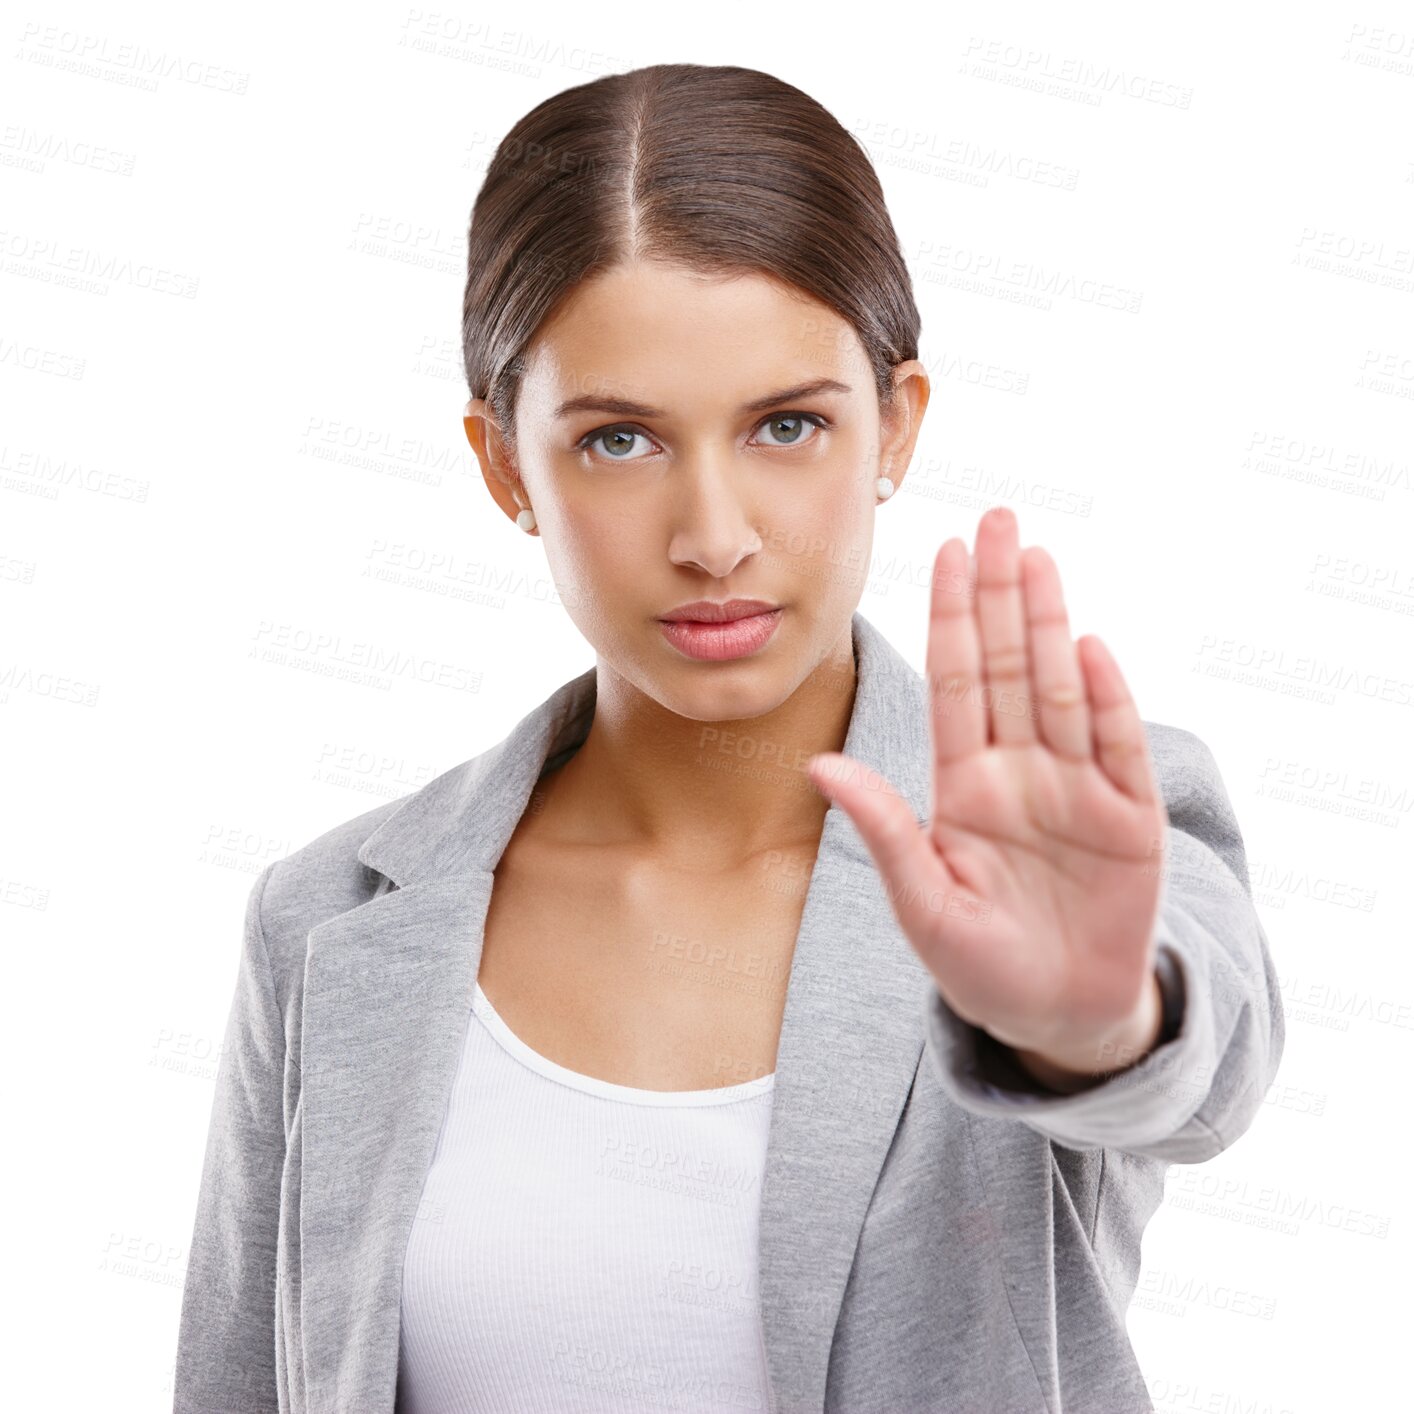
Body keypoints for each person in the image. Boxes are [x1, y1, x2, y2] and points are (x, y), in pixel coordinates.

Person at [173, 62, 1285, 1414]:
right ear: (503, 463)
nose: (713, 534)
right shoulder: (327, 920)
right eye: (621, 439)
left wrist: (1089, 1023)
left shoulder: (1064, 827)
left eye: (787, 425)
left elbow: (1202, 1063)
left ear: (895, 426)